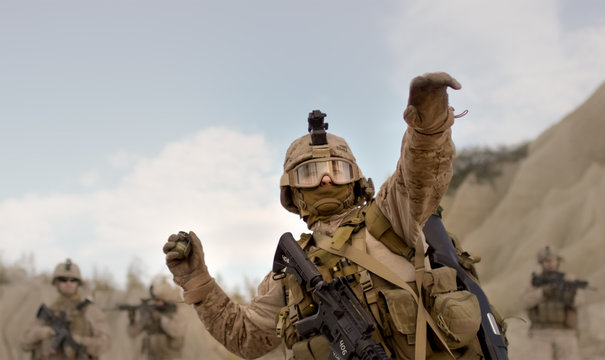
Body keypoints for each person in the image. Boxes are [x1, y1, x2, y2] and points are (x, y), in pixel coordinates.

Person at [164, 72, 485, 359]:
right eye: (310, 174)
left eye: (337, 170)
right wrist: (197, 282)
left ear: (357, 181)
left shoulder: (391, 216)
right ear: (293, 192)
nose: (326, 180)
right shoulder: (290, 275)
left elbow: (420, 172)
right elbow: (246, 337)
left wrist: (428, 123)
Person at [20, 258, 111, 359]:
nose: (68, 283)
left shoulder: (90, 311)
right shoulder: (49, 311)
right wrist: (44, 332)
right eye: (63, 279)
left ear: (78, 283)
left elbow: (105, 343)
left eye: (73, 280)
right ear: (56, 283)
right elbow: (25, 343)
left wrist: (79, 340)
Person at [520, 245, 586, 360]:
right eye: (546, 261)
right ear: (541, 263)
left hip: (566, 333)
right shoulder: (534, 282)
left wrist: (566, 295)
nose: (550, 264)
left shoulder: (569, 279)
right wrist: (543, 292)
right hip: (541, 334)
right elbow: (524, 302)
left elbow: (580, 301)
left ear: (558, 261)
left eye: (553, 260)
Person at [126, 277, 187, 360]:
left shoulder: (176, 310)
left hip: (171, 357)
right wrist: (132, 320)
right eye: (154, 299)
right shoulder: (149, 313)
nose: (155, 302)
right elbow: (132, 333)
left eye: (158, 300)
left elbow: (177, 331)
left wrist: (160, 318)